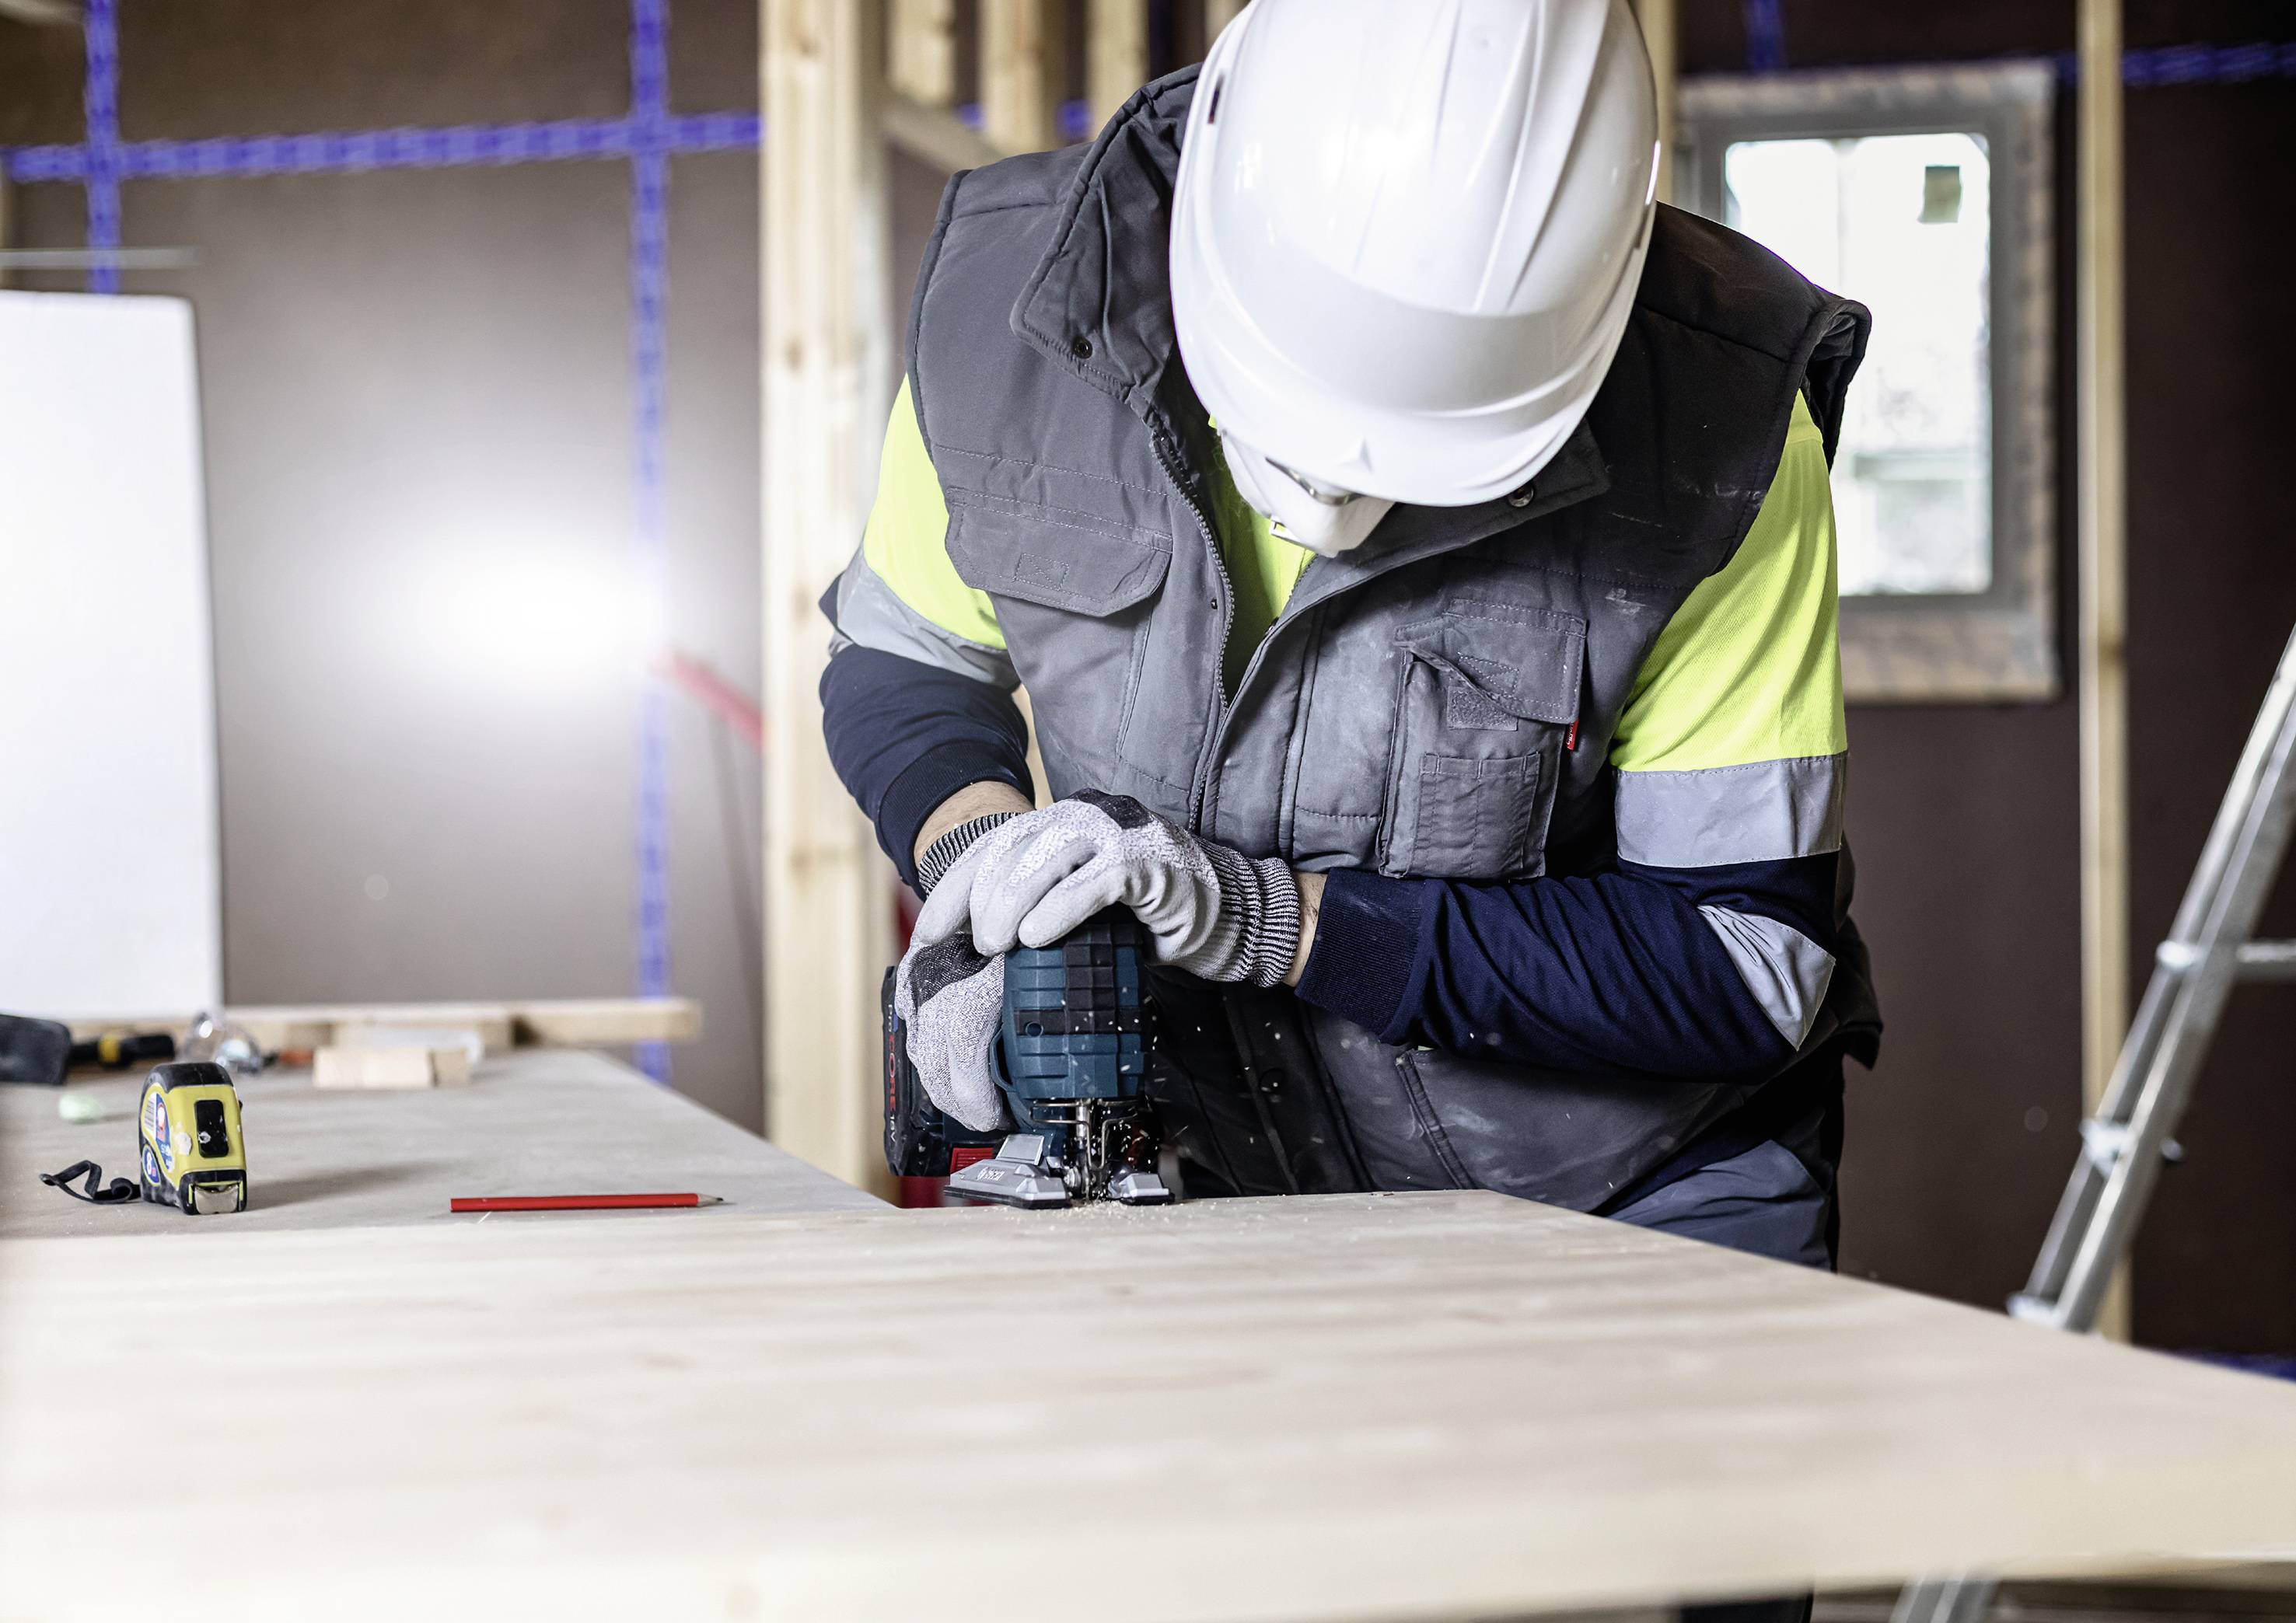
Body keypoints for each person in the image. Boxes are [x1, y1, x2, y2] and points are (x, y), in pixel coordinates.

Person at [823, 0, 1878, 1275]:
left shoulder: (1724, 423)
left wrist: (1279, 920)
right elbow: (907, 660)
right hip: (1217, 1176)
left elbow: (1742, 961)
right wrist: (985, 858)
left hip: (1625, 1193)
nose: (1340, 496)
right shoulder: (1011, 310)